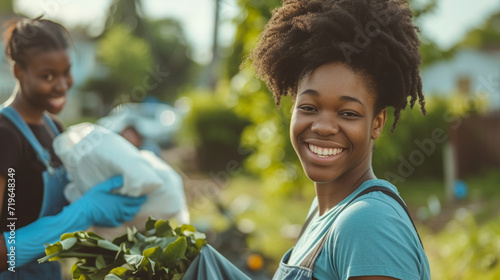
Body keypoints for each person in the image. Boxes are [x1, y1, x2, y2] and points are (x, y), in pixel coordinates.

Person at [249, 0, 430, 279]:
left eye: (348, 113)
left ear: (376, 123)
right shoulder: (322, 212)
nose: (322, 127)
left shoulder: (368, 224)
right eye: (308, 107)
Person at [0, 18, 146, 279]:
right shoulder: (5, 135)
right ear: (18, 71)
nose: (62, 85)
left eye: (66, 71)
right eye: (47, 76)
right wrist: (81, 214)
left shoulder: (55, 129)